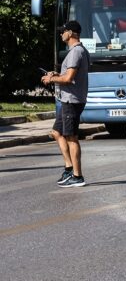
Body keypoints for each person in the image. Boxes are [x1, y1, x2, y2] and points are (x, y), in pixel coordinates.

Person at [42, 20, 90, 187]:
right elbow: (69, 74)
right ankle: (69, 168)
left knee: (71, 137)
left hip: (72, 100)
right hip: (67, 100)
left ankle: (78, 176)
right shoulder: (75, 52)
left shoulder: (76, 52)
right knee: (57, 132)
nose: (61, 34)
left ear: (71, 33)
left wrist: (51, 78)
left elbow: (69, 78)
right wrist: (56, 74)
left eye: (63, 31)